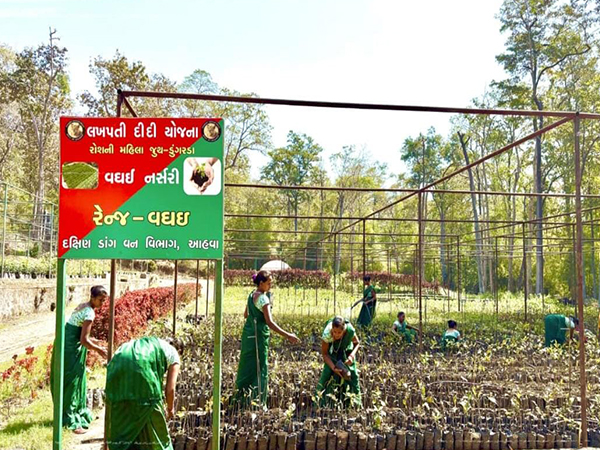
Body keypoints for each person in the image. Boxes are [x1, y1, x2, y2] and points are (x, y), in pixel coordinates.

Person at [233, 270, 300, 407]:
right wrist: (288, 335)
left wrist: (255, 318)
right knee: (260, 367)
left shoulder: (252, 295)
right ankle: (257, 402)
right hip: (259, 337)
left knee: (246, 366)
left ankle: (240, 399)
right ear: (261, 283)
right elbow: (269, 322)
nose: (270, 286)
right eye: (269, 283)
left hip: (248, 335)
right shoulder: (263, 299)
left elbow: (246, 314)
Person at [105, 336, 181, 450]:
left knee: (124, 430)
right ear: (179, 350)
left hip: (117, 367)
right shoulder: (173, 353)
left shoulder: (146, 344)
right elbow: (170, 389)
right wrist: (170, 409)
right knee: (158, 436)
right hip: (144, 385)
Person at [50, 285, 108, 434]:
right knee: (72, 382)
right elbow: (83, 340)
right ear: (93, 298)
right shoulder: (89, 313)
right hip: (71, 349)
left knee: (72, 380)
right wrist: (99, 350)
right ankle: (70, 419)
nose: (102, 303)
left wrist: (94, 341)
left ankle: (74, 412)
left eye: (104, 300)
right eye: (100, 300)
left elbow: (77, 331)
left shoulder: (83, 306)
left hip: (65, 342)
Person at [316, 316, 361, 408]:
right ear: (331, 329)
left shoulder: (350, 331)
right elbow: (325, 354)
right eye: (334, 332)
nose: (336, 335)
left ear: (344, 330)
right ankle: (320, 404)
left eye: (339, 332)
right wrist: (333, 367)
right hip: (332, 354)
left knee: (353, 376)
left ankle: (355, 405)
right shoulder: (327, 334)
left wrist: (352, 356)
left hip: (347, 353)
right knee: (327, 375)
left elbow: (357, 343)